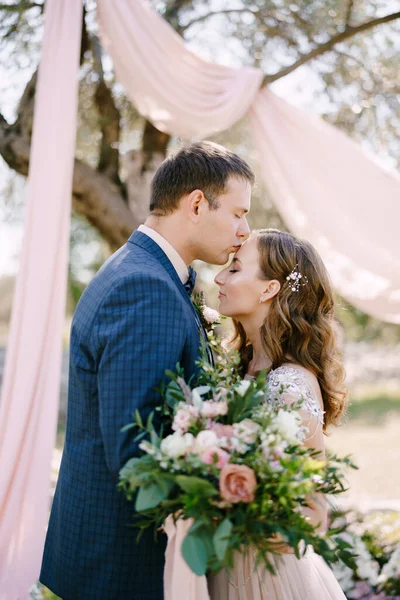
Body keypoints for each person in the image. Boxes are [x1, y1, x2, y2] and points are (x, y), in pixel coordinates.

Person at [39, 141, 254, 600]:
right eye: (238, 213)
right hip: (120, 566)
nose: (245, 230)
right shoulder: (145, 287)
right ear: (197, 203)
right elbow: (136, 451)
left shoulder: (146, 272)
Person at [209, 228, 348, 600]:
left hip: (265, 579)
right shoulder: (234, 369)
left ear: (269, 289)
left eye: (235, 269)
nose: (219, 277)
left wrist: (230, 512)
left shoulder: (290, 385)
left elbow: (314, 513)